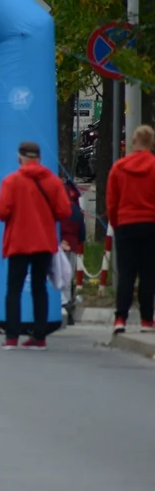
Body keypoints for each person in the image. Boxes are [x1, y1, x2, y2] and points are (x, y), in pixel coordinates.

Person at [0, 141, 71, 350]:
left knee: (14, 290)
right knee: (40, 288)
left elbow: (1, 212)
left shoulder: (11, 182)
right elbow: (64, 211)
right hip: (44, 242)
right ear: (39, 158)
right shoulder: (53, 182)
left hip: (18, 242)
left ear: (20, 159)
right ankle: (39, 336)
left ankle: (11, 336)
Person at [105, 124, 155, 334]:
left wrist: (116, 223)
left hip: (126, 224)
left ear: (134, 142)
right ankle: (146, 320)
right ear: (151, 143)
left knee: (126, 273)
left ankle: (120, 319)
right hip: (151, 224)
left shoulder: (119, 167)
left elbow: (111, 201)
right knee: (148, 274)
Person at [58, 179, 87, 326]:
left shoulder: (55, 209)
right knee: (68, 279)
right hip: (73, 247)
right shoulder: (75, 210)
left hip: (57, 246)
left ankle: (60, 307)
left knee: (56, 278)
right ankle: (68, 310)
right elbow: (82, 233)